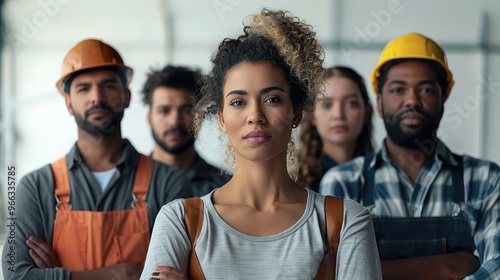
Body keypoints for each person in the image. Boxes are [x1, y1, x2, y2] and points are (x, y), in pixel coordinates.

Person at [140, 9, 382, 280]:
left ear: (297, 113)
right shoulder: (179, 220)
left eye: (273, 99)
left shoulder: (347, 221)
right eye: (238, 102)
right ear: (221, 118)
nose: (255, 115)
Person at [1, 38, 193, 280]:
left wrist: (58, 274)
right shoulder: (35, 187)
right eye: (83, 88)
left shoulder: (169, 182)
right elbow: (16, 276)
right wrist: (118, 273)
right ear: (69, 103)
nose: (97, 97)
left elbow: (179, 273)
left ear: (126, 96)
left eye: (108, 86)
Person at [319, 32, 500, 279]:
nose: (412, 100)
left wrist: (380, 269)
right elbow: (336, 274)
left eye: (426, 89)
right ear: (380, 103)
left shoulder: (485, 180)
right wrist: (449, 268)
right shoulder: (343, 182)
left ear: (442, 99)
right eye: (398, 90)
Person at [141, 65, 231, 196]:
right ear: (149, 118)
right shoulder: (126, 182)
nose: (174, 121)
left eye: (187, 110)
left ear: (199, 117)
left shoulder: (226, 188)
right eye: (164, 111)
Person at [297, 66, 374, 191]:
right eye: (327, 105)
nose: (339, 115)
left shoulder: (382, 174)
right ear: (312, 115)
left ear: (366, 112)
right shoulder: (293, 177)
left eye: (351, 103)